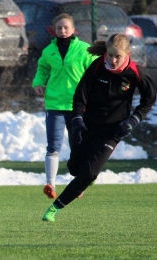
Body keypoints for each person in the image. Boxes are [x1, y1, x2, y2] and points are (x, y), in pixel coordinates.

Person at [42, 33, 156, 222]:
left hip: (112, 131)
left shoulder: (137, 73)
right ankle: (85, 178)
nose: (112, 60)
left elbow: (148, 100)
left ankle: (54, 208)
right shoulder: (97, 67)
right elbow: (80, 95)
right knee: (74, 169)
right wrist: (78, 118)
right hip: (87, 124)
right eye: (109, 55)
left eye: (117, 56)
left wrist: (133, 119)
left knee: (88, 174)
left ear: (128, 54)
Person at [32, 13, 95, 199]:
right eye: (59, 27)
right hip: (54, 104)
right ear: (54, 30)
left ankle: (79, 184)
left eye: (66, 27)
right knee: (53, 146)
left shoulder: (84, 50)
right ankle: (50, 184)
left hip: (78, 107)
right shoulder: (48, 51)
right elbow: (42, 69)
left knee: (78, 146)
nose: (63, 30)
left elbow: (94, 71)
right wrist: (37, 83)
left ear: (73, 29)